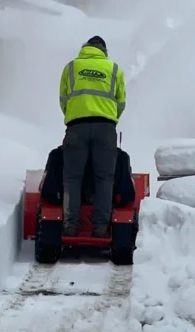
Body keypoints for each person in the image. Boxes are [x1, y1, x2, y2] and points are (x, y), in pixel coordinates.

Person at [59, 36, 126, 237]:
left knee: (72, 177)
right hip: (105, 128)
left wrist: (74, 116)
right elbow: (120, 103)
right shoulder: (114, 69)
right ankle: (100, 227)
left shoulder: (70, 68)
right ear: (104, 51)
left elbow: (63, 100)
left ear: (85, 49)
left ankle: (71, 224)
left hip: (76, 128)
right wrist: (109, 119)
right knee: (105, 178)